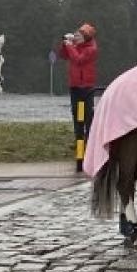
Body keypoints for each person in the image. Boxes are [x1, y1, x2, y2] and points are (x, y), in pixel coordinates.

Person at [57, 22, 99, 172]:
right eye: (76, 35)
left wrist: (69, 45)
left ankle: (90, 145)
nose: (76, 37)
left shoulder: (91, 49)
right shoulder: (74, 46)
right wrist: (65, 44)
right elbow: (63, 55)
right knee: (77, 116)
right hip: (75, 87)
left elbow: (79, 59)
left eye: (79, 36)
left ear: (86, 38)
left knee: (88, 117)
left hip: (86, 87)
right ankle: (79, 142)